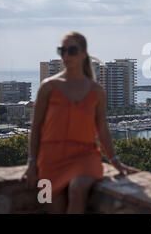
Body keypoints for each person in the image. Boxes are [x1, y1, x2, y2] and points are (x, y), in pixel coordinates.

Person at [21, 31, 138, 214]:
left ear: (83, 53)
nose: (66, 55)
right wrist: (31, 164)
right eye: (62, 50)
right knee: (53, 208)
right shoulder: (48, 87)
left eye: (72, 50)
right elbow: (36, 128)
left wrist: (116, 163)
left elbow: (102, 129)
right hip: (51, 160)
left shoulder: (96, 91)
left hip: (85, 156)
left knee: (77, 188)